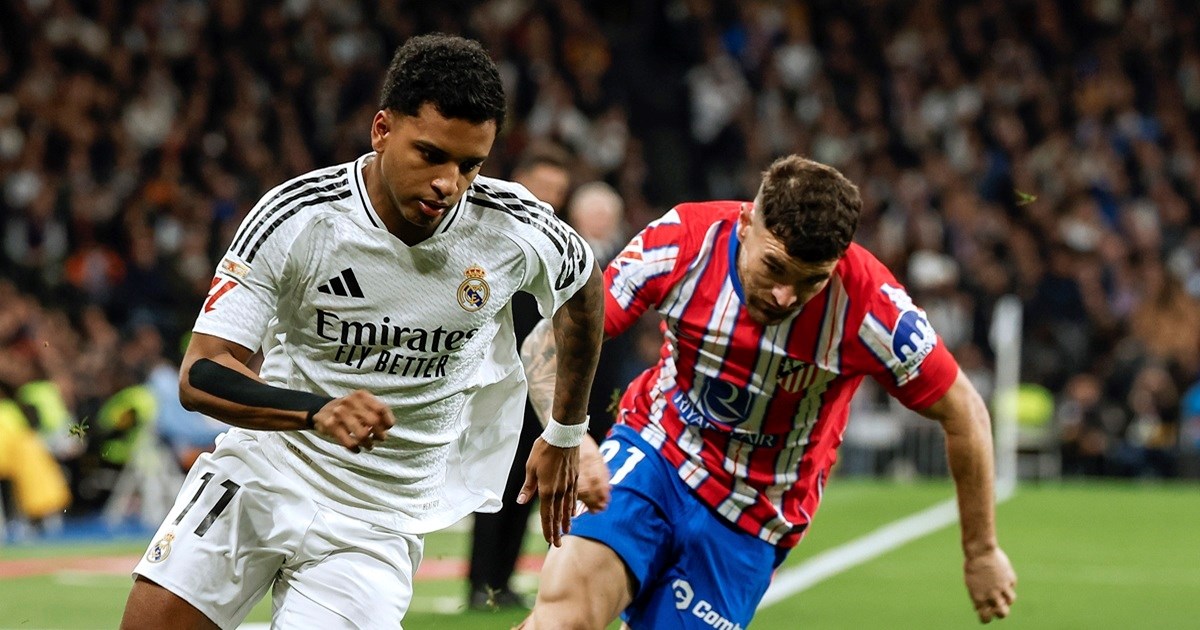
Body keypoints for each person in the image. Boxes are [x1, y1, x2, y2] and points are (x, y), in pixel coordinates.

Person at [120, 33, 604, 630]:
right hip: (261, 473)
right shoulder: (299, 216)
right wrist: (315, 411)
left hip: (378, 523)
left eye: (469, 165)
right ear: (382, 129)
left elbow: (584, 290)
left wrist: (565, 432)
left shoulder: (513, 227)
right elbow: (201, 373)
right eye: (430, 154)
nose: (448, 184)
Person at [520, 155, 1017, 628]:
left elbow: (966, 412)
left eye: (811, 281)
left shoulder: (873, 310)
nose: (785, 296)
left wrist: (981, 550)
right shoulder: (684, 240)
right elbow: (549, 340)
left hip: (755, 512)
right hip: (656, 452)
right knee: (562, 620)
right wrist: (569, 435)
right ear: (746, 224)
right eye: (775, 267)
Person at [466, 146, 576, 610]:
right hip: (494, 383)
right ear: (520, 181)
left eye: (558, 191)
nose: (549, 199)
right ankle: (480, 583)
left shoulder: (558, 248)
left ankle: (502, 582)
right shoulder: (485, 236)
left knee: (527, 486)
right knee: (496, 482)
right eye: (543, 187)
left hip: (541, 386)